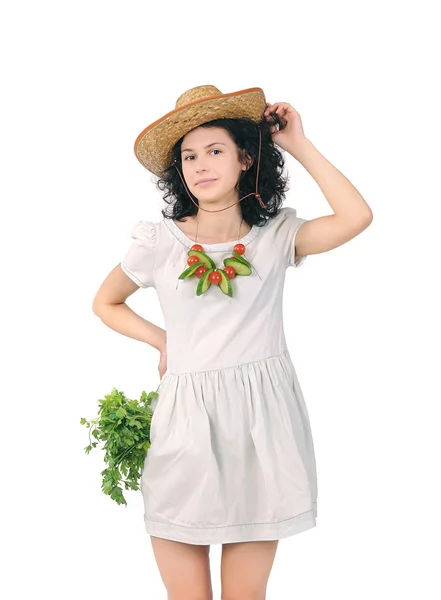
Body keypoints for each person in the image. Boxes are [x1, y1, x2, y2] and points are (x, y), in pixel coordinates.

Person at [92, 85, 373, 600]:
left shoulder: (275, 236)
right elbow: (105, 302)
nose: (200, 165)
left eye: (214, 151)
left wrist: (300, 144)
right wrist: (163, 342)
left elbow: (356, 217)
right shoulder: (160, 242)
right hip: (184, 429)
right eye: (189, 157)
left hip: (259, 432)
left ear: (245, 157)